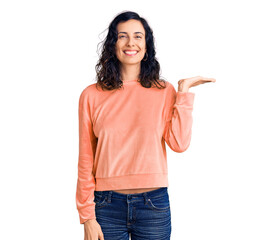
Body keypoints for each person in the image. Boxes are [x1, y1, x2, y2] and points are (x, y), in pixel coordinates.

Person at [76, 10, 216, 240]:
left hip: (153, 205)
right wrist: (87, 217)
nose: (131, 42)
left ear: (147, 45)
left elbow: (179, 144)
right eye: (122, 36)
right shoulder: (91, 95)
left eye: (138, 36)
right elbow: (85, 159)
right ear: (113, 44)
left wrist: (183, 93)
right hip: (105, 206)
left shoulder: (164, 91)